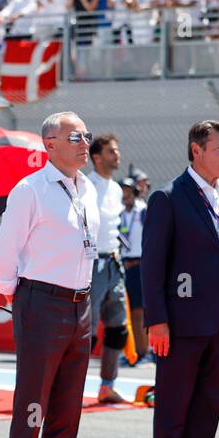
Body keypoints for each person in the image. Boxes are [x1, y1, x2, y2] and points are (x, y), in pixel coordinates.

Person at [0, 111, 108, 438]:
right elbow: (6, 249)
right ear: (50, 144)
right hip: (41, 301)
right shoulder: (30, 190)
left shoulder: (88, 189)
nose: (83, 142)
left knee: (67, 410)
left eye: (86, 134)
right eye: (73, 135)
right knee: (32, 409)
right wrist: (14, 295)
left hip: (80, 304)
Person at [142, 120, 219, 438]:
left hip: (217, 322)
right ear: (196, 150)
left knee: (207, 408)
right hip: (179, 324)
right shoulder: (168, 197)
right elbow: (153, 265)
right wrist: (157, 321)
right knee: (173, 409)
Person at [85, 134, 129, 404]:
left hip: (114, 263)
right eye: (111, 151)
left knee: (117, 328)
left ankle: (106, 386)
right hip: (92, 265)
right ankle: (70, 384)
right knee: (85, 332)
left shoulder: (115, 188)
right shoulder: (87, 185)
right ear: (97, 157)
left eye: (117, 150)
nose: (117, 155)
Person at [119, 177, 149, 360]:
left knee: (139, 311)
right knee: (126, 313)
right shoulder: (118, 213)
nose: (125, 194)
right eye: (123, 191)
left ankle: (144, 351)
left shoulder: (143, 211)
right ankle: (131, 352)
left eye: (129, 190)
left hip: (140, 265)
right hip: (123, 266)